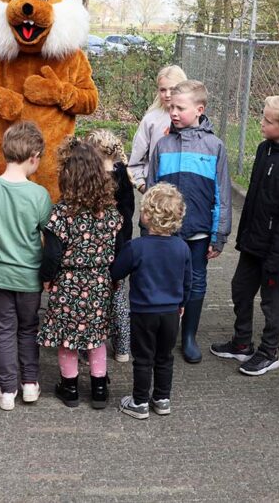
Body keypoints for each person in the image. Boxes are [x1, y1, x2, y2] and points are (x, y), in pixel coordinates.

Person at [210, 94, 279, 376]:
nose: (261, 123)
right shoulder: (264, 149)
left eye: (267, 121)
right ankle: (241, 343)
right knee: (240, 289)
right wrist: (243, 237)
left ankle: (268, 352)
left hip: (274, 249)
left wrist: (278, 255)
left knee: (272, 300)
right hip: (253, 242)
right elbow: (255, 198)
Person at [146, 80, 231, 364]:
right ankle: (163, 334)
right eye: (171, 107)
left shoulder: (214, 146)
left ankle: (190, 336)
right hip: (165, 233)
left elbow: (222, 193)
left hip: (199, 231)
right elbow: (151, 189)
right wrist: (148, 226)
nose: (173, 112)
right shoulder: (163, 144)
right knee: (164, 280)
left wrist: (219, 233)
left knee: (196, 281)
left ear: (199, 109)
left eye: (180, 108)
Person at [0, 121, 52, 411]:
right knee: (28, 329)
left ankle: (7, 390)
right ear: (33, 157)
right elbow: (47, 239)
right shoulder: (40, 195)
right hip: (29, 276)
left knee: (4, 331)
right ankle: (30, 384)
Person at [38, 137, 122, 410]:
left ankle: (70, 386)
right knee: (96, 337)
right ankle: (99, 387)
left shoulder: (62, 213)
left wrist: (47, 278)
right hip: (99, 282)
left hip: (69, 283)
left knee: (67, 338)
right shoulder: (110, 213)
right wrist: (115, 278)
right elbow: (119, 248)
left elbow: (51, 253)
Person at [111, 183, 192, 419]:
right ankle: (162, 398)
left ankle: (139, 401)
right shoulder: (182, 248)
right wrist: (182, 303)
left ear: (147, 215)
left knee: (143, 358)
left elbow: (116, 272)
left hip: (143, 312)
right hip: (171, 312)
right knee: (165, 357)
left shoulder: (136, 247)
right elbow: (188, 281)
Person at [87, 128, 134, 363]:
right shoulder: (122, 173)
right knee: (118, 298)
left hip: (94, 249)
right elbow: (129, 209)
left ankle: (89, 346)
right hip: (120, 245)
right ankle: (123, 348)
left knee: (92, 299)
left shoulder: (90, 175)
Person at [127, 65, 187, 192]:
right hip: (156, 194)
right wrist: (143, 186)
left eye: (173, 89)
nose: (167, 94)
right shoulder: (151, 120)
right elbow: (135, 161)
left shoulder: (192, 119)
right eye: (163, 90)